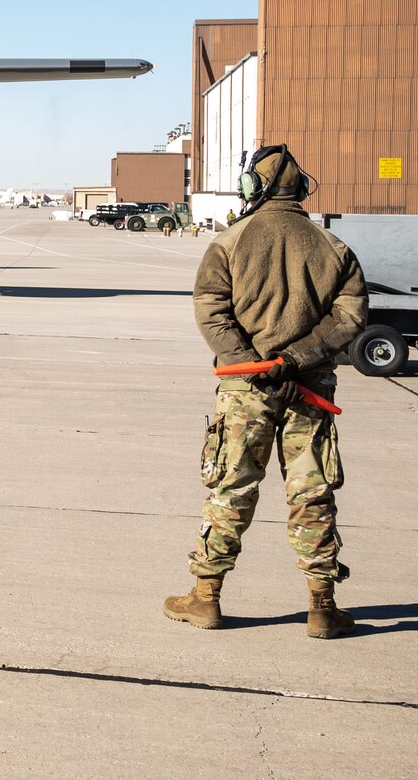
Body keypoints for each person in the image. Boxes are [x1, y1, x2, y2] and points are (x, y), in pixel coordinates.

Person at [165, 145, 367, 639]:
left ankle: (206, 597)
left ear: (251, 190)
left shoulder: (230, 243)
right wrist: (295, 360)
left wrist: (248, 362)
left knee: (232, 486)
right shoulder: (334, 249)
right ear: (300, 190)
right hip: (309, 389)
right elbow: (350, 318)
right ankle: (322, 606)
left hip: (244, 390)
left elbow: (211, 308)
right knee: (312, 492)